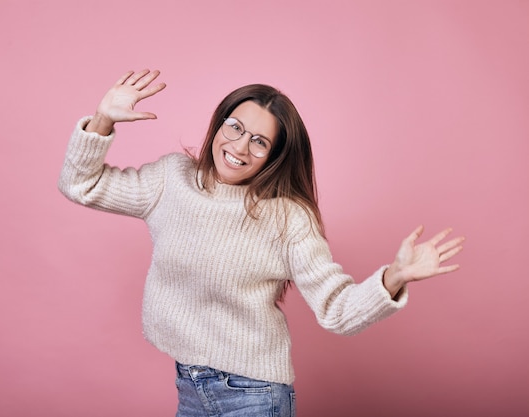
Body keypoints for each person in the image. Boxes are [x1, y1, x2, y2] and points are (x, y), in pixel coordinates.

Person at [58, 69, 464, 417]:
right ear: (218, 124)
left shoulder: (287, 218)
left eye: (259, 141)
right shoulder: (170, 181)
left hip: (254, 397)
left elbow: (338, 312)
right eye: (234, 127)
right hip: (190, 384)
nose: (239, 146)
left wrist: (393, 278)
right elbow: (80, 184)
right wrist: (102, 120)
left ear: (274, 156)